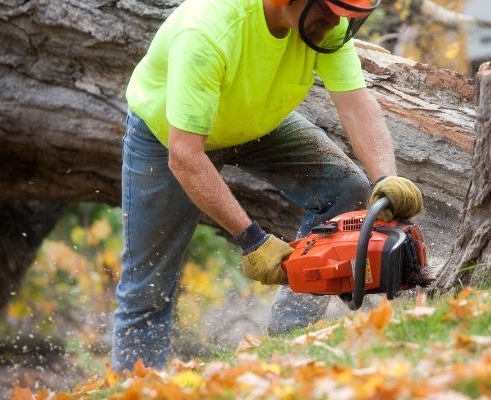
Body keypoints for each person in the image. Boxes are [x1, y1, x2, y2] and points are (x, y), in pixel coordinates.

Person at [112, 0, 424, 372]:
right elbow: (186, 157)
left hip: (257, 124)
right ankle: (136, 387)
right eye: (328, 11)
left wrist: (386, 178)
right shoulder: (207, 31)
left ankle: (291, 341)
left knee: (346, 189)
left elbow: (356, 104)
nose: (336, 22)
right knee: (147, 288)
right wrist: (252, 240)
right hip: (169, 137)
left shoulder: (327, 19)